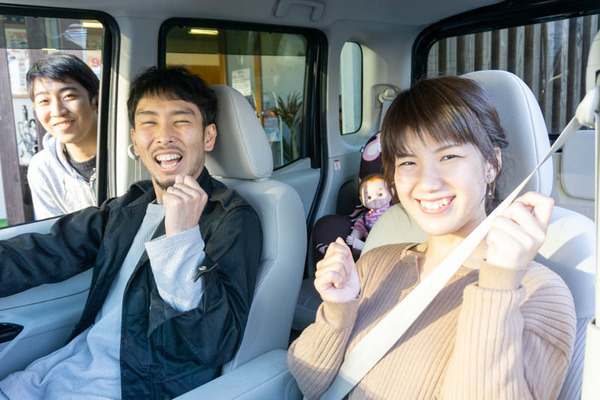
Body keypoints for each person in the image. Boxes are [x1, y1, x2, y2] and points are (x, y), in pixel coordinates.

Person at [288, 76, 576, 399]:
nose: (427, 183)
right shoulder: (375, 262)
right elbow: (309, 383)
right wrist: (338, 309)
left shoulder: (539, 294)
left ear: (491, 164)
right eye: (408, 162)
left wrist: (497, 286)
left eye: (448, 157)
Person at [0, 66, 262, 400]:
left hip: (130, 388)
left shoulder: (231, 217)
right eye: (149, 123)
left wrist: (182, 238)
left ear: (208, 137)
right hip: (58, 372)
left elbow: (215, 342)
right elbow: (45, 250)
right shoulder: (130, 206)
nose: (164, 136)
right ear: (136, 141)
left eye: (181, 121)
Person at [26, 53, 99, 219]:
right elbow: (54, 230)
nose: (58, 111)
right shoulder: (43, 168)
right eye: (44, 101)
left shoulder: (133, 150)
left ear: (96, 99)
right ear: (35, 108)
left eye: (68, 96)